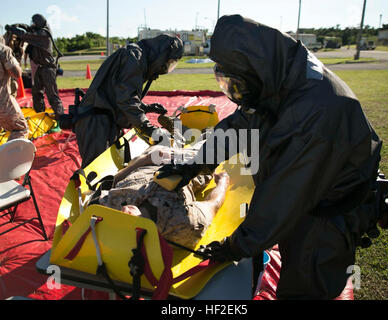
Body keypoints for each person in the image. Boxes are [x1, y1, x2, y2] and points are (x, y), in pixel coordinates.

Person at [157, 15, 383, 299]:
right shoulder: (276, 77)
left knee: (304, 288)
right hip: (308, 198)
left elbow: (284, 195)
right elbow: (239, 124)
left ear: (255, 70)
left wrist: (237, 246)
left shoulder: (315, 112)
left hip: (325, 216)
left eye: (237, 83)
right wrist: (197, 161)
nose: (235, 92)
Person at [61, 34, 183, 168]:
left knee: (114, 169)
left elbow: (118, 93)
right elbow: (126, 99)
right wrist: (147, 128)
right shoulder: (133, 57)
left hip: (105, 119)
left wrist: (146, 107)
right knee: (96, 173)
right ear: (161, 55)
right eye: (169, 62)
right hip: (95, 122)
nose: (166, 67)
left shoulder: (138, 58)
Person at [96, 144, 230, 249]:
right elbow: (213, 205)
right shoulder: (181, 223)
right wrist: (223, 182)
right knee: (204, 146)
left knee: (162, 145)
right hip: (188, 164)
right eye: (130, 223)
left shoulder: (109, 205)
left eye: (121, 219)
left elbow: (113, 181)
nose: (125, 211)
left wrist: (145, 160)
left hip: (149, 159)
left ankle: (176, 139)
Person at [6, 14, 64, 120]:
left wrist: (13, 30)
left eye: (34, 22)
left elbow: (26, 35)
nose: (32, 24)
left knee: (52, 94)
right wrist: (18, 25)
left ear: (39, 22)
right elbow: (29, 28)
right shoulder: (39, 31)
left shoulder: (43, 34)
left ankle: (61, 118)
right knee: (36, 93)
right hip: (40, 68)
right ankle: (40, 116)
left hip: (48, 68)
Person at [0, 35, 29, 141]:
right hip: (2, 102)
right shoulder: (3, 50)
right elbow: (17, 73)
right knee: (20, 129)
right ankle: (11, 157)